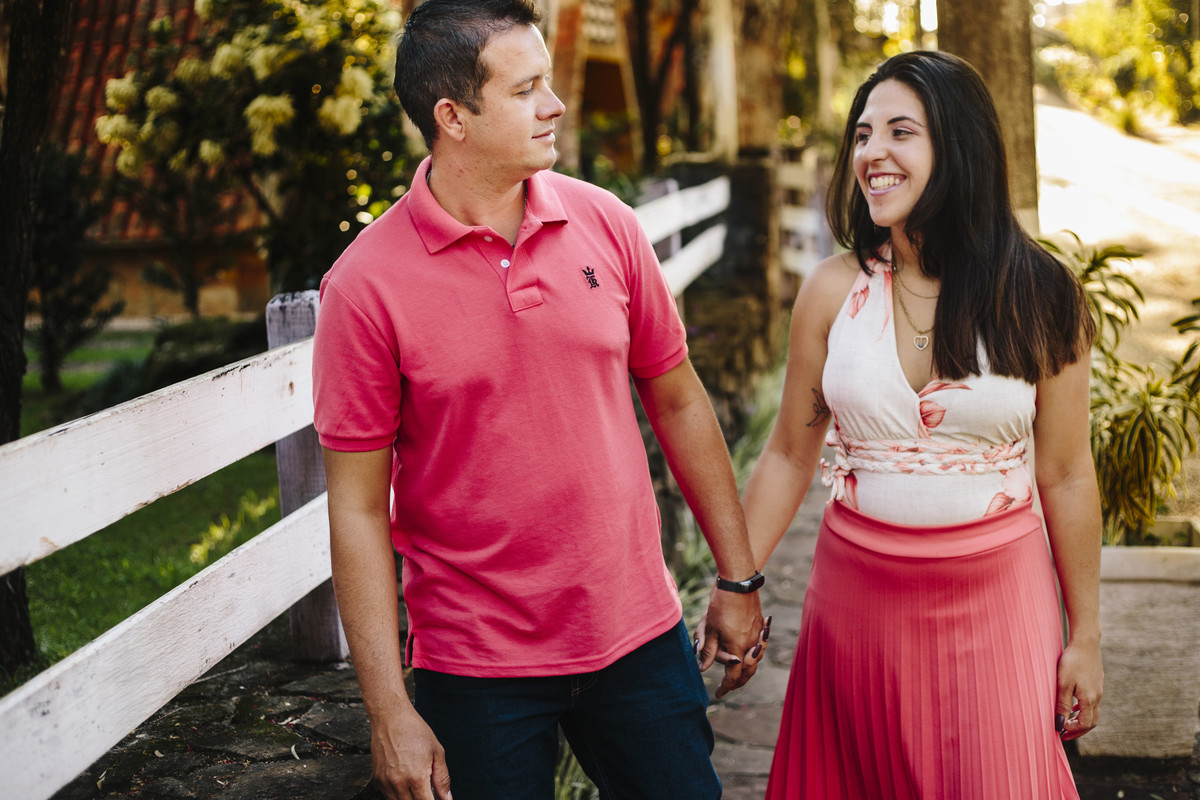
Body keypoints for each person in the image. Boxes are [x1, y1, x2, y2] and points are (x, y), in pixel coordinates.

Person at [311, 2, 768, 798]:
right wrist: (388, 709)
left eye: (546, 83)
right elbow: (355, 509)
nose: (553, 105)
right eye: (525, 90)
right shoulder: (363, 287)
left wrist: (738, 579)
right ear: (453, 117)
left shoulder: (606, 224)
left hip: (637, 635)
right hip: (476, 667)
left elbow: (680, 401)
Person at [729, 51, 1104, 798]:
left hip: (998, 605)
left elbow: (1066, 474)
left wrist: (1086, 637)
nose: (873, 153)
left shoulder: (1040, 294)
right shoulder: (832, 291)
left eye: (901, 132)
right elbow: (788, 456)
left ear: (958, 146)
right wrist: (735, 580)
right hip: (854, 608)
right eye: (863, 135)